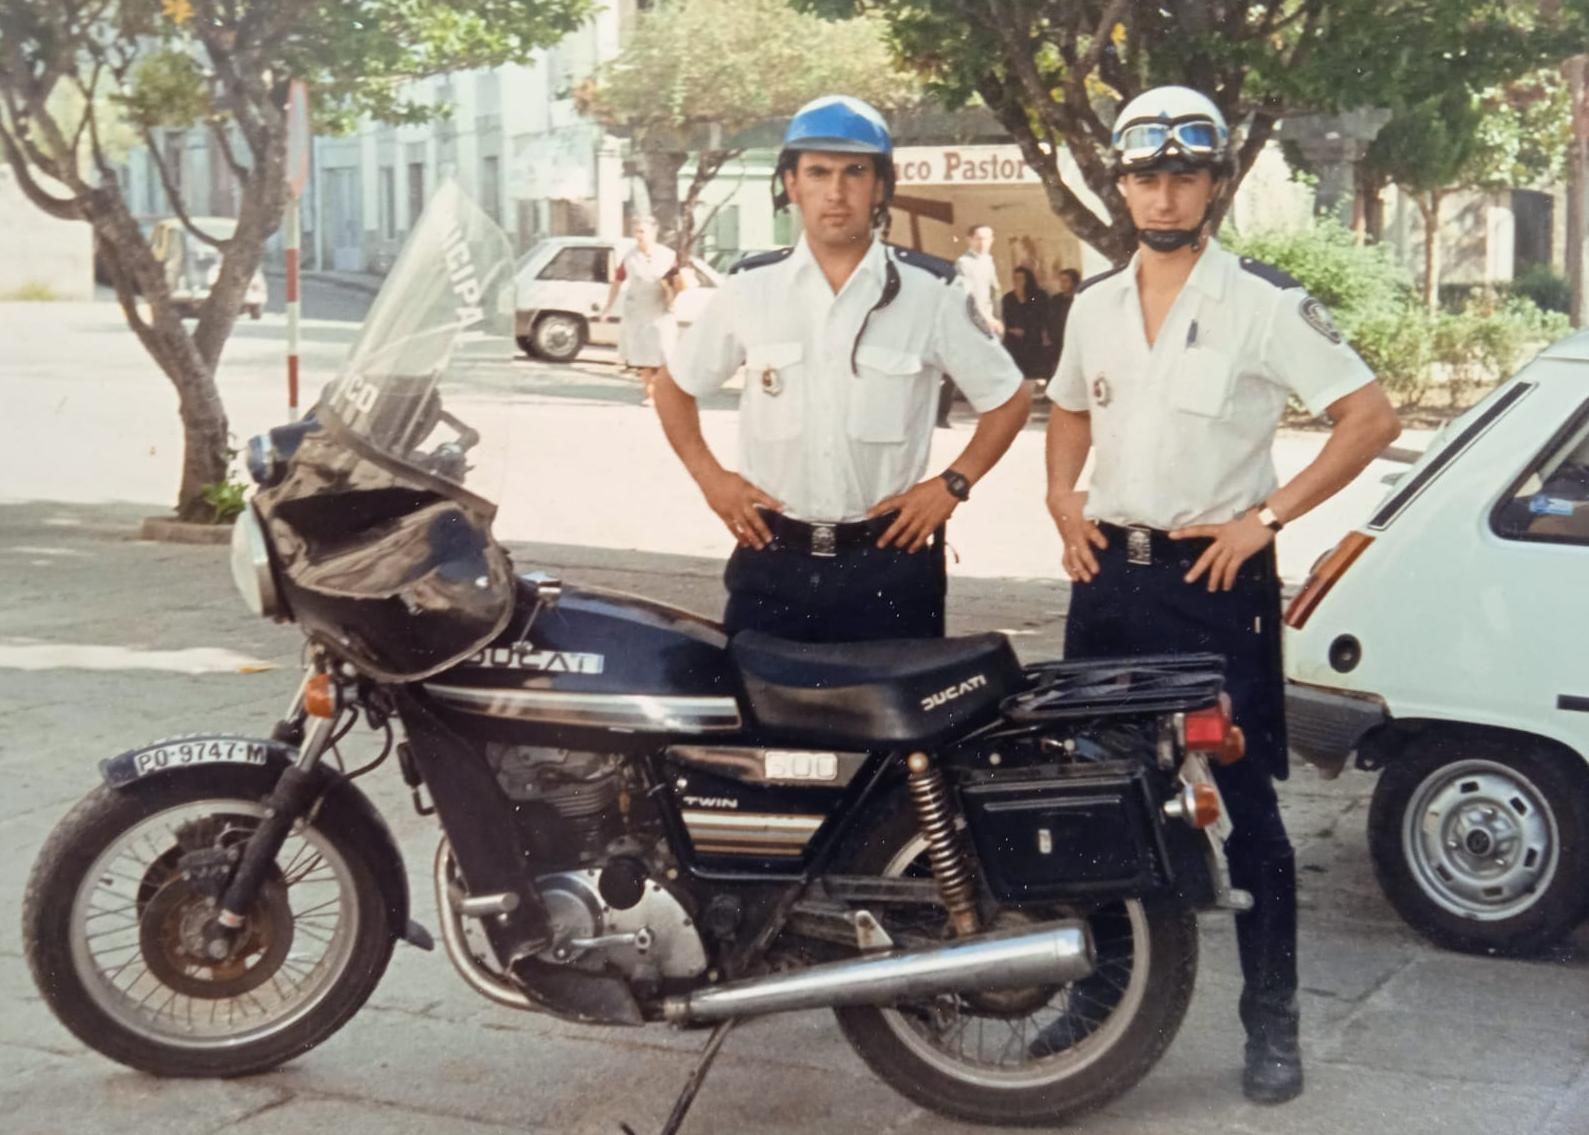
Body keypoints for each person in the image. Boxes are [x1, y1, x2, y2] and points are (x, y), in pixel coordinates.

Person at [1037, 85, 1401, 1104]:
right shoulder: (1092, 306)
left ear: (1212, 185)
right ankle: (1095, 1000)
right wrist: (1059, 497)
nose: (1162, 195)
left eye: (1182, 175)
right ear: (1121, 184)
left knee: (1243, 813)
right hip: (1108, 580)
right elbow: (1066, 408)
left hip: (1214, 582)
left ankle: (1269, 1025)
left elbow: (1367, 417)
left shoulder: (1262, 304)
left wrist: (1267, 519)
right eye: (1145, 176)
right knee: (1098, 798)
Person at [654, 94, 1031, 642]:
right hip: (773, 559)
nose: (836, 192)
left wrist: (950, 485)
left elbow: (1009, 399)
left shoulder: (930, 293)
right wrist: (712, 479)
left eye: (856, 172)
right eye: (819, 172)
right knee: (768, 724)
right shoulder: (751, 290)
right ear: (791, 183)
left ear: (881, 186)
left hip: (888, 564)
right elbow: (674, 388)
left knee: (894, 724)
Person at [601, 215, 678, 406]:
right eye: (636, 231)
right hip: (637, 310)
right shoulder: (630, 256)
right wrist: (607, 307)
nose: (638, 235)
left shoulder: (668, 255)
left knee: (663, 353)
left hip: (661, 309)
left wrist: (673, 297)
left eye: (642, 231)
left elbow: (677, 282)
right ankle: (651, 394)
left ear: (653, 233)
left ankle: (664, 393)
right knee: (644, 355)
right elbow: (617, 282)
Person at [1000, 266, 1051, 380]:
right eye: (1015, 278)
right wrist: (1012, 330)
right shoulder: (1008, 298)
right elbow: (1006, 318)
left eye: (1021, 278)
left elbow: (1041, 316)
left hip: (1033, 338)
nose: (1018, 281)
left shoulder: (1037, 296)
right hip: (1014, 339)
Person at [955, 223, 1003, 337]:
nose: (983, 243)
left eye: (986, 239)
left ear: (992, 240)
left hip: (991, 321)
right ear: (969, 240)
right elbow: (968, 295)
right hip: (975, 320)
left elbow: (995, 291)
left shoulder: (988, 261)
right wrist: (986, 319)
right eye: (979, 239)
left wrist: (997, 318)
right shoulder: (964, 263)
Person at [1046, 266, 1081, 378]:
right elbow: (1049, 319)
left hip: (1073, 339)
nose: (1062, 284)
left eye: (1066, 281)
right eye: (1061, 281)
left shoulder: (1079, 299)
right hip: (1057, 341)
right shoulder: (1056, 299)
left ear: (1074, 282)